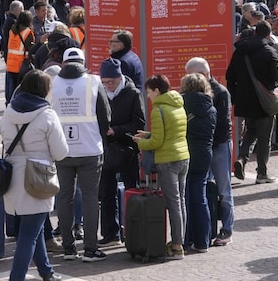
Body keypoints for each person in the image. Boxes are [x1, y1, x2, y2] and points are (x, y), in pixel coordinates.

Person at [1, 70, 68, 281]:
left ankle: (46, 271)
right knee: (29, 233)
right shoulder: (47, 114)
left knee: (33, 227)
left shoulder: (8, 111)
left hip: (12, 176)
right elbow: (60, 152)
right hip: (37, 176)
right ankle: (17, 278)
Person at [50, 48, 111, 263]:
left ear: (64, 63)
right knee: (90, 198)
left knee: (64, 198)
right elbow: (106, 116)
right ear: (83, 62)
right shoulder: (94, 82)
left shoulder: (52, 83)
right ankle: (90, 249)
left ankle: (68, 249)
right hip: (89, 148)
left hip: (62, 150)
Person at [133, 74, 189, 259]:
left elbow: (157, 142)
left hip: (168, 161)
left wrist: (140, 142)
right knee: (180, 202)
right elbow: (170, 132)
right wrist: (148, 134)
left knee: (173, 204)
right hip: (183, 157)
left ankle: (177, 246)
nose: (148, 96)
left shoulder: (158, 110)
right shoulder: (177, 105)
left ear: (157, 90)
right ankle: (179, 241)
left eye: (149, 92)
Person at [185, 57, 235, 246]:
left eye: (191, 76)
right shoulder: (194, 93)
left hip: (219, 145)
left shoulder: (220, 92)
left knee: (224, 190)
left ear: (204, 74)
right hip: (204, 147)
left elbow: (222, 124)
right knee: (204, 189)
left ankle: (227, 229)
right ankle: (205, 230)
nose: (189, 80)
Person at [98, 57, 145, 245]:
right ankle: (111, 233)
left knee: (131, 191)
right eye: (104, 82)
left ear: (120, 78)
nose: (108, 85)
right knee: (107, 193)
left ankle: (133, 231)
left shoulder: (132, 93)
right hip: (107, 150)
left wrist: (115, 130)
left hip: (127, 149)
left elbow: (139, 124)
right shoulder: (99, 92)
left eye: (111, 82)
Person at [226, 22, 278, 183]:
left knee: (251, 132)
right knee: (264, 138)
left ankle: (241, 158)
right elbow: (275, 79)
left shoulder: (239, 51)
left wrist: (235, 98)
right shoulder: (270, 52)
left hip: (244, 101)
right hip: (263, 102)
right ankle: (262, 173)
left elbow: (230, 76)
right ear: (268, 35)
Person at [179, 73, 216, 253]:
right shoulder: (211, 108)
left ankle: (184, 241)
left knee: (184, 199)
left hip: (185, 154)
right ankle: (203, 242)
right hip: (204, 155)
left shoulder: (181, 106)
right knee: (200, 199)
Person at [5, 11, 35, 104]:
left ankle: (10, 105)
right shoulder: (28, 32)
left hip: (10, 63)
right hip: (21, 64)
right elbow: (30, 48)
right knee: (20, 89)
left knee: (11, 89)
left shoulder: (12, 31)